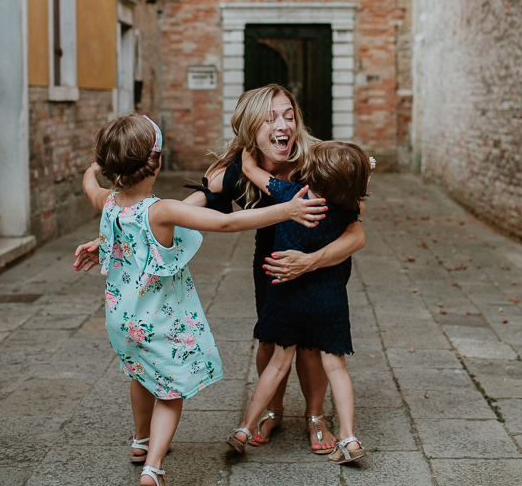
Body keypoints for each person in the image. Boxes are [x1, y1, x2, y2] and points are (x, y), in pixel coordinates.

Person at [74, 85, 367, 454]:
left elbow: (356, 233)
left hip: (321, 265)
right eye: (271, 117)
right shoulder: (231, 172)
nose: (284, 125)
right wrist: (111, 238)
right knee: (272, 340)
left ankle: (315, 416)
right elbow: (168, 214)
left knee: (313, 347)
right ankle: (272, 411)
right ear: (250, 127)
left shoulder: (318, 164)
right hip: (273, 264)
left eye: (289, 116)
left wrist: (311, 261)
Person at [224, 141, 371, 464]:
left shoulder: (290, 195)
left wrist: (247, 142)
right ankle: (349, 437)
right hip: (328, 301)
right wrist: (360, 171)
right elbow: (355, 199)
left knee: (277, 364)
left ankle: (245, 429)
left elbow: (250, 170)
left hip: (286, 294)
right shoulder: (346, 207)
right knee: (336, 367)